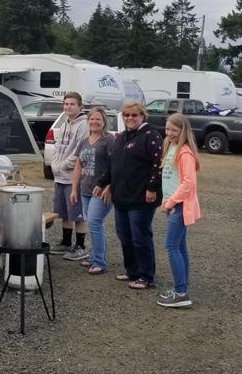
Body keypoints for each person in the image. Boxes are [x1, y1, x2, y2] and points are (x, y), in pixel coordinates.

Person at [95, 100, 163, 290]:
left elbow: (158, 164)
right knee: (124, 235)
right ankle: (132, 270)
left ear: (142, 116)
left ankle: (146, 276)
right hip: (121, 195)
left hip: (141, 196)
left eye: (134, 115)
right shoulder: (122, 137)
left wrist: (152, 188)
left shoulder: (151, 135)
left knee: (140, 236)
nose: (130, 118)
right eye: (126, 115)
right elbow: (113, 164)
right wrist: (102, 182)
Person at [157, 113, 201, 308]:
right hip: (174, 204)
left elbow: (189, 183)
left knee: (171, 246)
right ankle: (181, 288)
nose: (169, 133)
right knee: (180, 247)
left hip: (180, 206)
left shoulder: (184, 152)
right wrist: (165, 200)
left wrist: (171, 202)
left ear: (183, 131)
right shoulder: (171, 148)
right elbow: (170, 179)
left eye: (174, 130)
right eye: (167, 129)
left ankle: (181, 293)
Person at [69, 108, 112, 274]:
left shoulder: (109, 140)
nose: (94, 122)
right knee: (92, 223)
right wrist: (74, 189)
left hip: (101, 190)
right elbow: (78, 167)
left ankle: (100, 262)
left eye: (98, 119)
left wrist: (109, 187)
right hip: (85, 189)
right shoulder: (84, 141)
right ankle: (94, 257)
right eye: (92, 119)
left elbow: (115, 165)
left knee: (94, 222)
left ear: (104, 122)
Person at [49, 92, 89, 259]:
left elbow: (80, 150)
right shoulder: (65, 123)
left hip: (73, 176)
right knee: (64, 212)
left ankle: (80, 246)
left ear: (80, 106)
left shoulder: (83, 124)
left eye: (72, 104)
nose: (68, 107)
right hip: (60, 176)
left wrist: (64, 165)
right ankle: (66, 243)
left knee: (77, 213)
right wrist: (55, 164)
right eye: (66, 104)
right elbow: (58, 146)